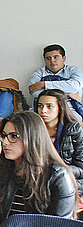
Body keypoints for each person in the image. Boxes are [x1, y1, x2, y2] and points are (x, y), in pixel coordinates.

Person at [36, 89, 83, 218]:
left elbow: (81, 169)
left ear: (60, 108)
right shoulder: (33, 130)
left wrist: (54, 171)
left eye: (49, 106)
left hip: (67, 181)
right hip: (35, 180)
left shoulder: (74, 129)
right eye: (40, 106)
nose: (43, 110)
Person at [29, 44, 83, 121]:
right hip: (43, 110)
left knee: (76, 125)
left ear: (64, 58)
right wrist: (67, 94)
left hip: (69, 109)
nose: (52, 61)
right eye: (48, 58)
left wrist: (44, 84)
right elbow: (34, 92)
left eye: (56, 57)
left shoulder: (74, 70)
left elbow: (75, 86)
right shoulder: (39, 72)